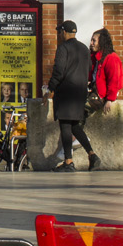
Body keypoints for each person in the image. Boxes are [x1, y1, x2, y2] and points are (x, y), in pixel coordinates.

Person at [47, 19, 97, 171]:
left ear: (63, 32)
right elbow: (88, 68)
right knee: (75, 126)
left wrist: (50, 88)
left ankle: (69, 162)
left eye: (59, 32)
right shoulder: (84, 49)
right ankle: (92, 155)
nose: (59, 34)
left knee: (65, 126)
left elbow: (59, 70)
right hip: (80, 93)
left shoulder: (63, 48)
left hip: (66, 94)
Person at [90, 28, 123, 114]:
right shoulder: (95, 57)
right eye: (91, 40)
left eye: (94, 41)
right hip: (93, 91)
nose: (91, 44)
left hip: (101, 96)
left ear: (101, 42)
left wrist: (109, 100)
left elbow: (114, 80)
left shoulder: (111, 58)